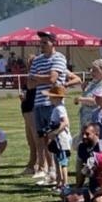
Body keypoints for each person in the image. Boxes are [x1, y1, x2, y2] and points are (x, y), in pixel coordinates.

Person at [27, 32, 71, 180]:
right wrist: (41, 78)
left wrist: (36, 77)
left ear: (53, 43)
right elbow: (29, 84)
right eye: (41, 42)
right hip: (38, 103)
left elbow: (52, 79)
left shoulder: (59, 58)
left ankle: (59, 173)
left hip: (53, 104)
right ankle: (50, 170)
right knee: (42, 138)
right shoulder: (37, 60)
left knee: (55, 137)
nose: (42, 45)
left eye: (45, 42)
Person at [39, 85, 73, 188]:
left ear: (57, 98)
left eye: (51, 96)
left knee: (63, 162)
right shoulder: (57, 108)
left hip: (62, 139)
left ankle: (65, 184)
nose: (49, 98)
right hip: (57, 139)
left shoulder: (60, 109)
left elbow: (65, 122)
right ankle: (59, 182)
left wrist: (55, 132)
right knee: (57, 161)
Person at [76, 58, 102, 134]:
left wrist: (80, 99)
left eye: (95, 70)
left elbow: (96, 101)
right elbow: (89, 95)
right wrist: (84, 89)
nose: (91, 72)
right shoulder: (94, 82)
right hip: (86, 117)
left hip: (96, 118)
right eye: (92, 69)